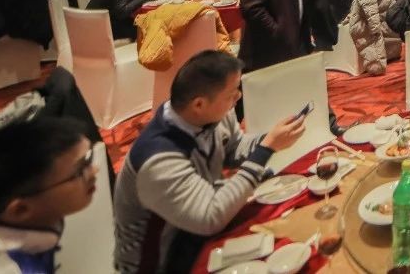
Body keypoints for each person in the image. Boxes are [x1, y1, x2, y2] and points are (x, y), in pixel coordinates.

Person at [113, 51, 306, 272]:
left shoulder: (208, 115)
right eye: (231, 94)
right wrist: (266, 149)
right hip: (165, 260)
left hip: (201, 231)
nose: (238, 97)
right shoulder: (157, 159)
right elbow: (210, 216)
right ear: (199, 104)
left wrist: (271, 139)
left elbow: (233, 148)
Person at [0, 117, 97, 273]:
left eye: (89, 157)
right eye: (79, 171)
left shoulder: (33, 228)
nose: (94, 170)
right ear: (21, 210)